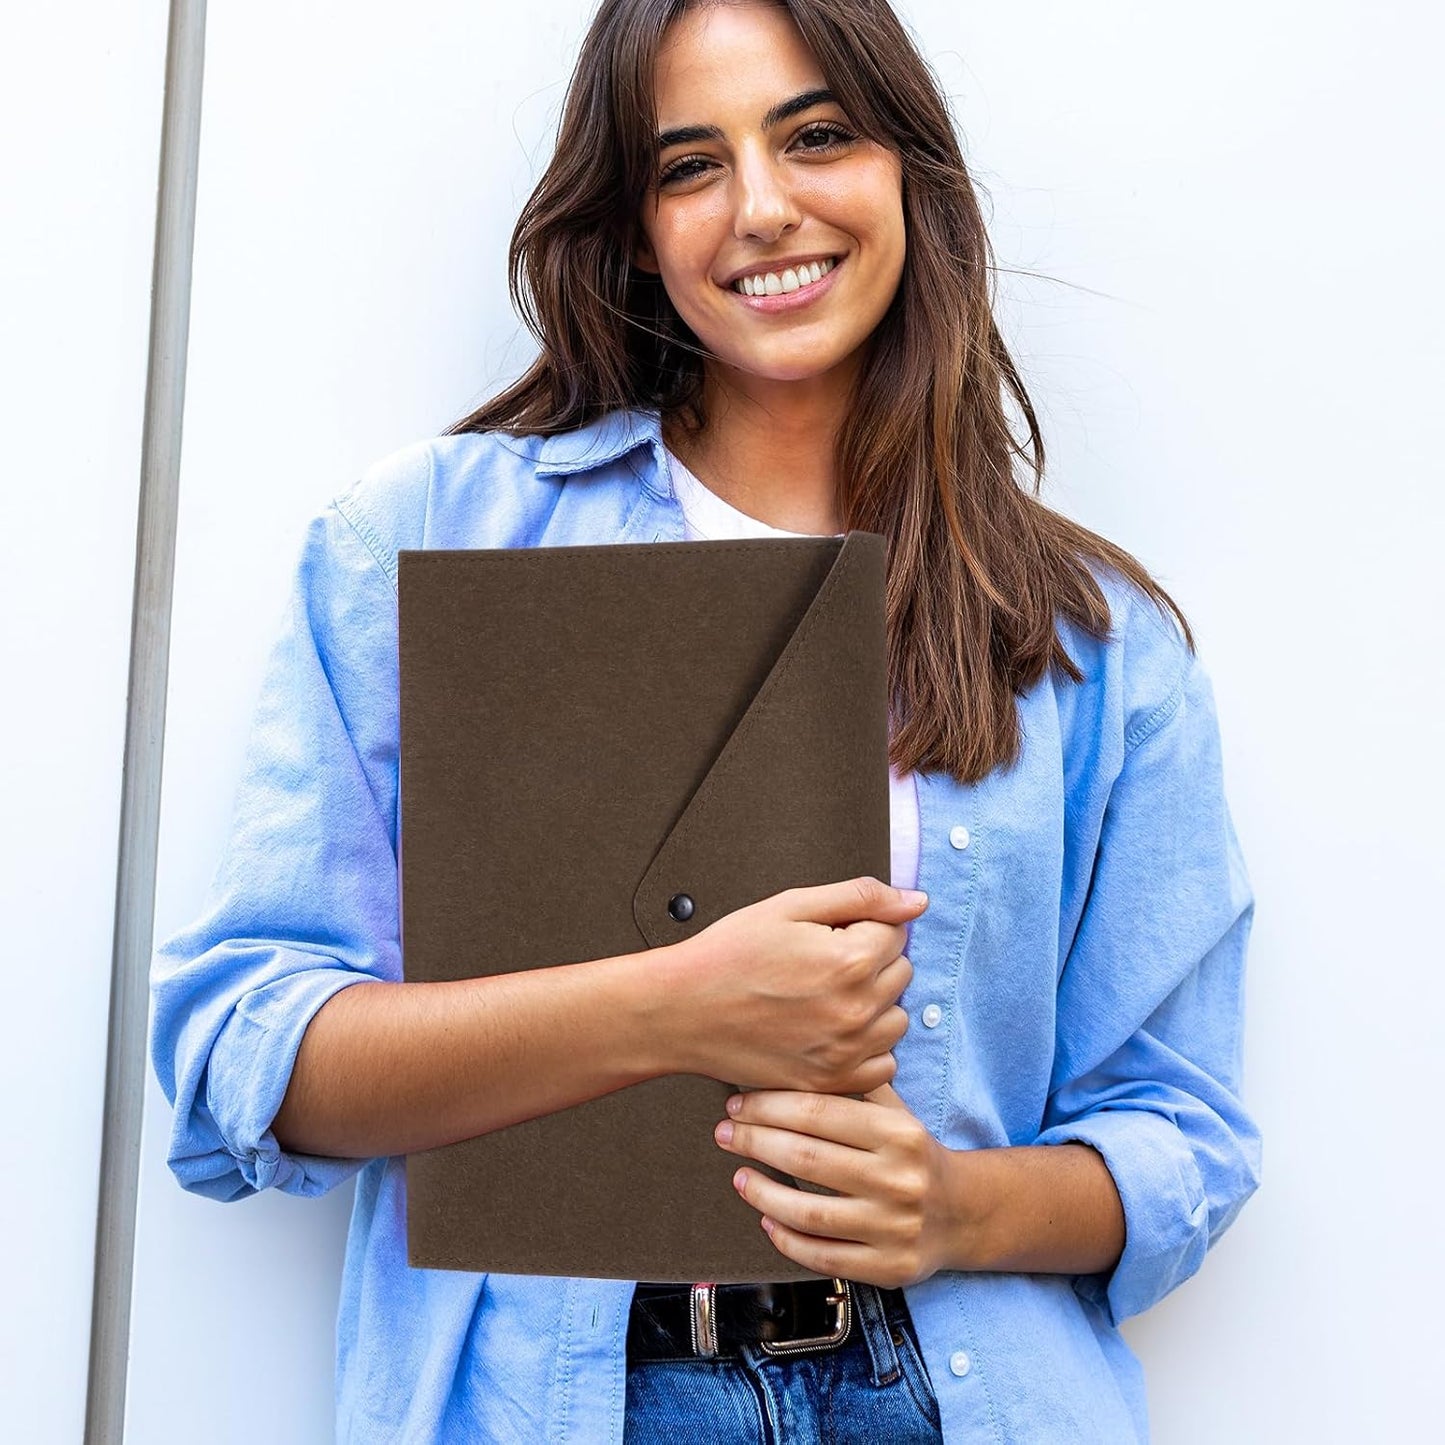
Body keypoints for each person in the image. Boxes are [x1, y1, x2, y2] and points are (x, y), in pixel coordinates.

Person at [149, 0, 1262, 1440]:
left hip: (947, 1388)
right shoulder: (432, 541)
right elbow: (244, 1050)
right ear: (630, 229)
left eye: (815, 136)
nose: (761, 207)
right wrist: (667, 1005)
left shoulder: (1092, 643)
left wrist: (949, 1207)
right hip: (572, 1396)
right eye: (689, 165)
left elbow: (1182, 1131)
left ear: (909, 173)